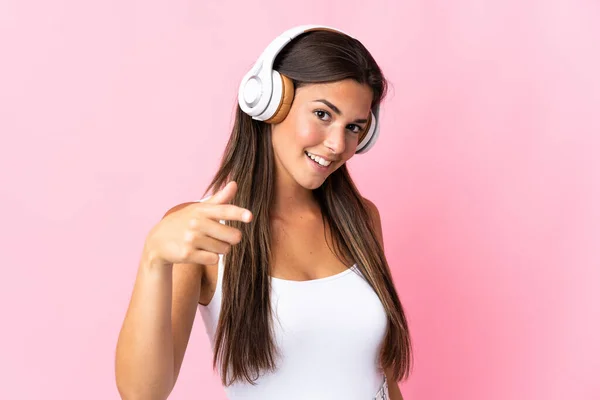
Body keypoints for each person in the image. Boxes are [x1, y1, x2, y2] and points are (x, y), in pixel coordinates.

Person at [115, 25, 412, 400]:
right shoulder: (203, 228)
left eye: (354, 127)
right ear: (270, 101)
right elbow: (142, 393)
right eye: (323, 114)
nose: (338, 144)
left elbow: (382, 372)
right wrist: (154, 259)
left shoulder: (361, 220)